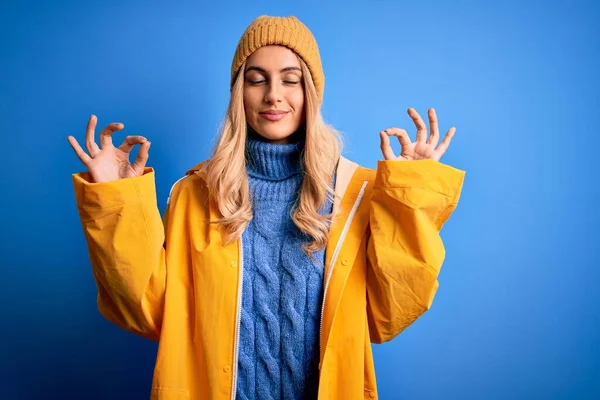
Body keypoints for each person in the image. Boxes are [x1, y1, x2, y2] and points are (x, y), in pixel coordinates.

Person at [68, 15, 465, 400]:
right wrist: (116, 198)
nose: (273, 94)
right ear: (238, 93)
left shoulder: (356, 192)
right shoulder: (195, 194)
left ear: (311, 91)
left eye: (291, 80)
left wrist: (411, 195)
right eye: (256, 80)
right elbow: (148, 312)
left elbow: (387, 316)